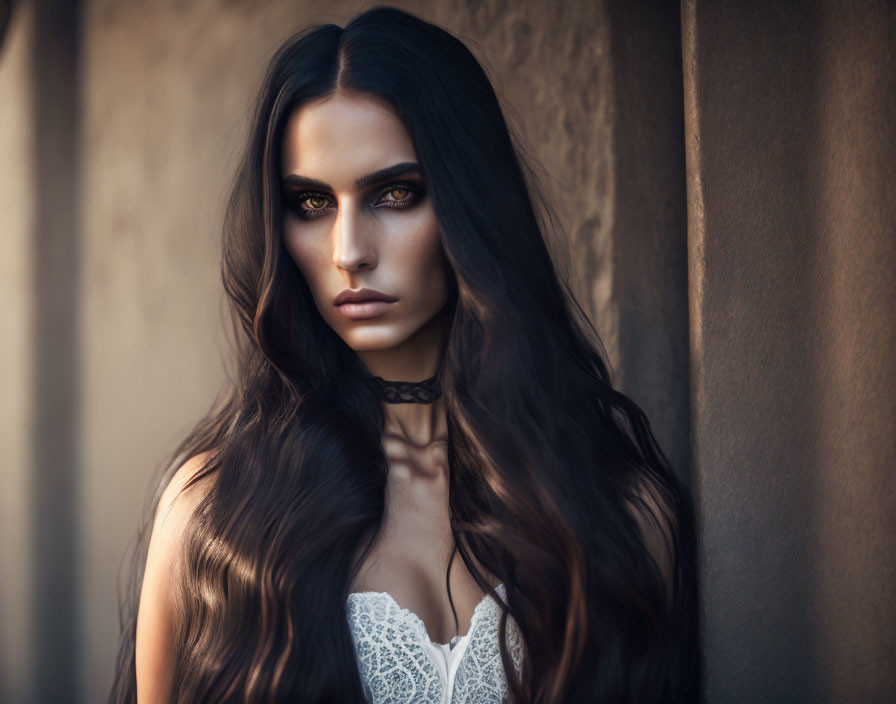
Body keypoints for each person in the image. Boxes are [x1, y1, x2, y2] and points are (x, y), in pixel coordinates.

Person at [108, 5, 699, 703]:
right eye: (311, 203)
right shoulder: (216, 514)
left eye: (395, 193)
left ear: (468, 205)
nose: (349, 251)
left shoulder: (620, 513)